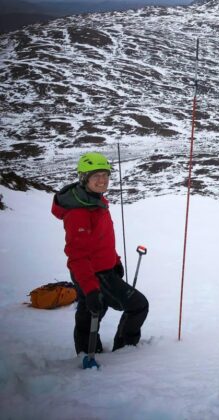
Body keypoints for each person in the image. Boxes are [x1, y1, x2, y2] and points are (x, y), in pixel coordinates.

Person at [51, 152, 149, 354]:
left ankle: (90, 350)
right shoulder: (79, 212)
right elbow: (77, 256)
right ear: (84, 178)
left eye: (105, 174)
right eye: (96, 175)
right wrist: (90, 289)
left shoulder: (96, 201)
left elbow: (102, 240)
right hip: (92, 274)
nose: (103, 180)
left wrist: (115, 261)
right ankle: (121, 352)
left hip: (105, 270)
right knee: (136, 306)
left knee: (94, 312)